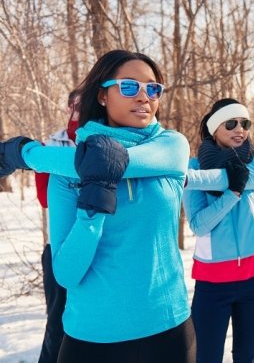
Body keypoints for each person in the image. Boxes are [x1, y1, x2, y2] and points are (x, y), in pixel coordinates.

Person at [0, 49, 196, 363]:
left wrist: (26, 153)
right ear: (102, 95)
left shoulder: (171, 146)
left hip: (168, 330)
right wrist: (91, 214)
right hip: (91, 337)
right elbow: (66, 273)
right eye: (129, 86)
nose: (144, 96)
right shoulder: (65, 177)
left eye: (153, 88)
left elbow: (109, 160)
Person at [182, 98, 254, 363]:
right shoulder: (194, 166)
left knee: (248, 359)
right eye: (231, 123)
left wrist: (197, 181)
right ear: (214, 128)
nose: (240, 129)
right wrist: (233, 192)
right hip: (212, 283)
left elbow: (248, 179)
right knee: (206, 359)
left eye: (245, 123)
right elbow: (199, 224)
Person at [35, 89, 80, 363]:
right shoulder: (51, 146)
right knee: (57, 322)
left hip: (100, 249)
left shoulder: (106, 141)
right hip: (59, 249)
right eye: (75, 105)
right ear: (68, 108)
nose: (80, 111)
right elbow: (44, 199)